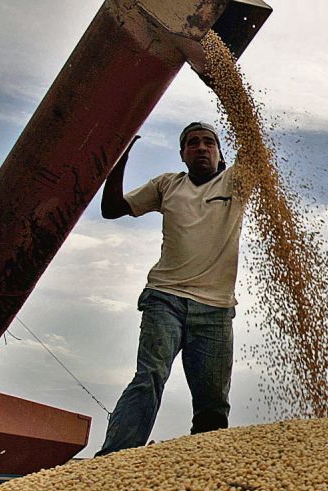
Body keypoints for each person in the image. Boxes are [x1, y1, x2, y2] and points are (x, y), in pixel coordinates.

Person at [95, 121, 244, 456]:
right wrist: (118, 158)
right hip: (166, 298)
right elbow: (111, 209)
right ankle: (113, 460)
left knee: (212, 402)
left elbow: (253, 142)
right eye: (192, 143)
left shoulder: (235, 180)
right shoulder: (167, 184)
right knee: (149, 377)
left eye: (209, 142)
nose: (201, 148)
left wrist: (227, 93)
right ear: (182, 154)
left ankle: (203, 464)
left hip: (216, 309)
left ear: (220, 153)